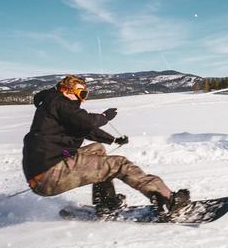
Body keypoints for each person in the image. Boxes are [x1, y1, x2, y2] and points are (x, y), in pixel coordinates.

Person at [22, 74, 190, 217]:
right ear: (66, 90)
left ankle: (106, 203)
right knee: (119, 163)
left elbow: (85, 129)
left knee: (97, 149)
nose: (83, 99)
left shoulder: (54, 104)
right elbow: (86, 121)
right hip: (50, 174)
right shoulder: (59, 102)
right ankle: (168, 201)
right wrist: (104, 116)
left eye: (85, 94)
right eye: (81, 93)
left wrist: (113, 140)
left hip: (44, 171)